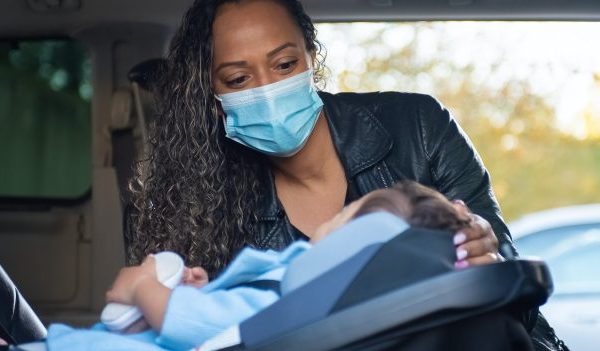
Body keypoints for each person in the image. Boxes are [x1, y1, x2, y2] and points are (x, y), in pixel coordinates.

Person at [123, 0, 567, 350]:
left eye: (284, 65)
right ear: (214, 97)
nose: (268, 89)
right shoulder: (203, 200)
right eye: (238, 79)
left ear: (311, 57)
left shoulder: (420, 125)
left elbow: (518, 296)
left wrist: (487, 257)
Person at [39, 181, 525, 351]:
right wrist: (201, 288)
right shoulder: (303, 288)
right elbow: (221, 314)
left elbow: (193, 325)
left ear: (356, 248)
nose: (336, 216)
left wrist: (145, 288)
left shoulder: (296, 302)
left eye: (346, 217)